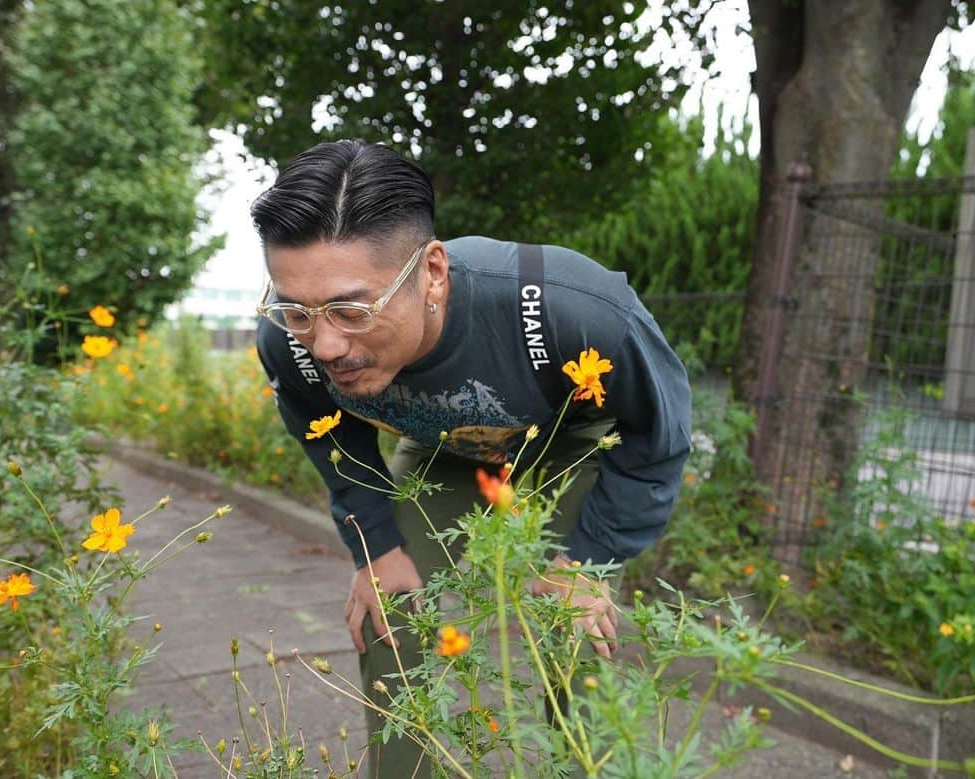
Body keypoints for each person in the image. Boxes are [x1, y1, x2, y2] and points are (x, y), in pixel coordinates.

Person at [252, 139, 692, 777]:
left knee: (573, 629)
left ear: (431, 272)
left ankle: (580, 768)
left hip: (569, 441)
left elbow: (660, 436)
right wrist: (376, 545)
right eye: (297, 310)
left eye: (352, 310)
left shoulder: (574, 311)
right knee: (387, 607)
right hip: (443, 447)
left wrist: (587, 561)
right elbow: (329, 438)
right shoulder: (288, 343)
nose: (323, 343)